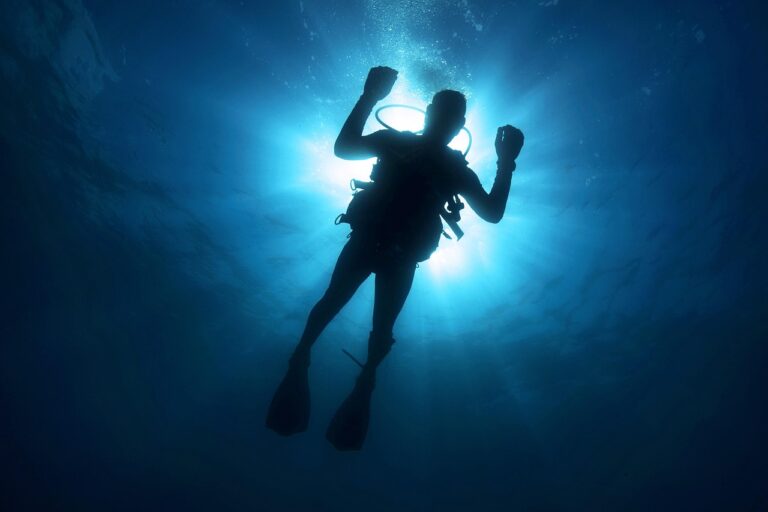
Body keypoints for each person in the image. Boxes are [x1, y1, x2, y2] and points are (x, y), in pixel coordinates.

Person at [266, 66, 524, 451]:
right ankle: (305, 358)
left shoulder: (451, 166)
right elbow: (344, 149)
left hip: (399, 256)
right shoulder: (401, 144)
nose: (446, 120)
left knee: (375, 326)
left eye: (452, 115)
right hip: (375, 242)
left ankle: (362, 376)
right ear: (431, 113)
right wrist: (368, 96)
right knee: (334, 304)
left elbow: (492, 213)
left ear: (459, 125)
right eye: (442, 110)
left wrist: (506, 162)